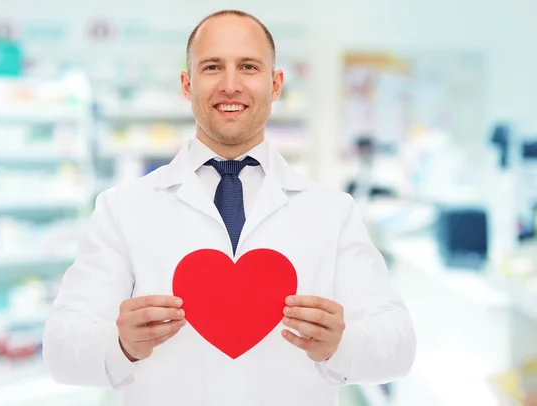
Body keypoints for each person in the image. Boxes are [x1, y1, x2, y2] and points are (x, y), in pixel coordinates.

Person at [42, 9, 416, 406]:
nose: (231, 85)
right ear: (187, 85)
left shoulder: (333, 212)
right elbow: (61, 349)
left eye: (249, 67)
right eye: (212, 67)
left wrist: (342, 343)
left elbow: (400, 346)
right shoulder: (122, 209)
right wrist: (120, 345)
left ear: (276, 85)